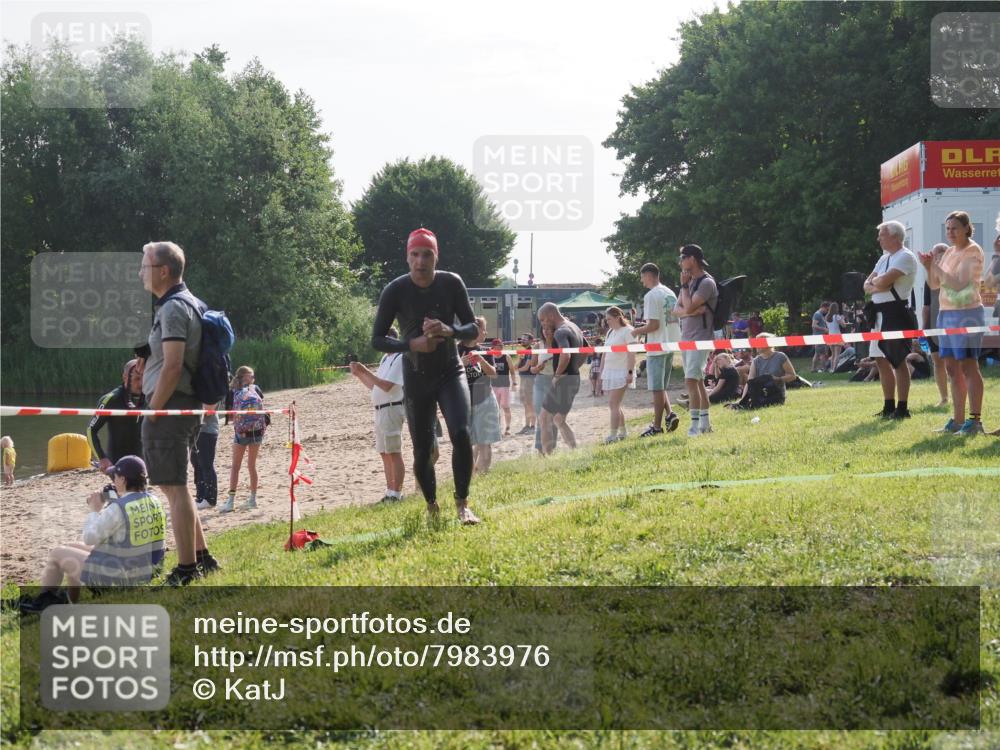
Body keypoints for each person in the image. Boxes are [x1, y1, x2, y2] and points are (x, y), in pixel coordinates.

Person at [371, 228, 481, 525]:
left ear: (436, 257)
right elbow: (377, 339)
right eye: (415, 254)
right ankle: (432, 506)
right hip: (416, 375)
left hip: (450, 370)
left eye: (427, 254)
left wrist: (450, 330)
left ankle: (462, 504)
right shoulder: (395, 290)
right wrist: (412, 344)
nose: (421, 261)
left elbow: (473, 328)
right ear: (407, 258)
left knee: (461, 434)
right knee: (423, 450)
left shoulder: (451, 283)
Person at [138, 240, 219, 585]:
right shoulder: (190, 303)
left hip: (170, 407)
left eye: (144, 266)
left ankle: (186, 568)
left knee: (174, 486)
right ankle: (202, 557)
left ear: (163, 271)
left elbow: (173, 367)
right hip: (184, 405)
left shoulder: (173, 307)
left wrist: (153, 409)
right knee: (177, 487)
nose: (140, 273)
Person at [19, 456, 166, 613]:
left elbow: (89, 538)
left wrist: (95, 510)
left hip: (122, 579)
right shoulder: (154, 500)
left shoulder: (119, 508)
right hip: (146, 570)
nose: (113, 481)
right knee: (70, 547)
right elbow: (120, 536)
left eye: (115, 477)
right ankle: (69, 600)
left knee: (57, 553)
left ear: (123, 479)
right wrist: (114, 501)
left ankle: (44, 602)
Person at [919, 211, 987, 435]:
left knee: (968, 366)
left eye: (955, 228)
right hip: (946, 314)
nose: (950, 232)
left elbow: (958, 284)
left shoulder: (973, 251)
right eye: (947, 229)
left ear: (967, 228)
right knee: (950, 368)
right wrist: (928, 266)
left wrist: (935, 266)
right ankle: (958, 421)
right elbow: (935, 284)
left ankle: (974, 421)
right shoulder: (949, 251)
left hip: (967, 314)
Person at [864, 221, 918, 420]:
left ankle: (902, 408)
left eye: (882, 235)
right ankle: (889, 406)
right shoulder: (884, 258)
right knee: (880, 359)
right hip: (878, 314)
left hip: (895, 313)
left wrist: (878, 283)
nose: (878, 239)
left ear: (895, 236)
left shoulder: (905, 256)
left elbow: (884, 281)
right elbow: (867, 285)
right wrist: (877, 284)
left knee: (898, 360)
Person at [350, 328, 406, 503]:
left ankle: (397, 493)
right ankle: (390, 491)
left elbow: (387, 386)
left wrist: (365, 371)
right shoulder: (385, 358)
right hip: (380, 409)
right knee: (384, 452)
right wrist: (359, 374)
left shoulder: (400, 358)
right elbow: (375, 386)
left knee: (394, 451)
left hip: (392, 408)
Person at [632, 262, 681, 437]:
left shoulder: (651, 295)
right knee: (661, 387)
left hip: (657, 345)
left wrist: (636, 331)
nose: (641, 281)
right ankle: (670, 414)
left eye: (642, 277)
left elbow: (653, 325)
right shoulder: (670, 292)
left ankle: (657, 427)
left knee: (657, 388)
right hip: (671, 344)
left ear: (649, 275)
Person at [674, 245, 719, 436]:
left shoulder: (706, 282)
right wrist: (690, 312)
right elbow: (676, 310)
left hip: (700, 338)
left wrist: (685, 288)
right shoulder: (689, 281)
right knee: (698, 382)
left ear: (692, 259)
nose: (680, 262)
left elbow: (689, 306)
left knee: (691, 381)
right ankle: (705, 425)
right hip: (686, 338)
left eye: (682, 257)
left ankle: (694, 426)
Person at [537, 302, 585, 455]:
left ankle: (547, 456)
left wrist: (557, 375)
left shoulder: (560, 331)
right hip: (573, 378)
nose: (543, 324)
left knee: (544, 418)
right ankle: (575, 451)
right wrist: (574, 368)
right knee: (558, 419)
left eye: (543, 320)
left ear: (551, 315)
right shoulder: (574, 327)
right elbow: (586, 351)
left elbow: (565, 355)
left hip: (563, 380)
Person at [221, 366, 267, 512]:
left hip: (241, 434)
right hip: (257, 432)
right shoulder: (256, 389)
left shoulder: (233, 391)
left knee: (235, 467)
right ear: (245, 377)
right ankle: (253, 499)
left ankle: (230, 502)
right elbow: (262, 408)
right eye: (251, 376)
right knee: (252, 466)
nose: (253, 378)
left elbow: (230, 414)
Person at [459, 319, 502, 474]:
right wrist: (460, 363)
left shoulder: (485, 351)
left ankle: (482, 475)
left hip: (485, 400)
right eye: (484, 329)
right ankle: (470, 476)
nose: (486, 332)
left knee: (485, 442)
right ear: (475, 331)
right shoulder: (456, 350)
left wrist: (482, 360)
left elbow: (494, 374)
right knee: (465, 445)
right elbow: (444, 376)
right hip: (463, 403)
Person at [87, 358, 145, 471]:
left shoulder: (150, 397)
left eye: (144, 378)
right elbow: (91, 430)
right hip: (117, 462)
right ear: (125, 377)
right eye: (137, 378)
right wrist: (102, 458)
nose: (141, 383)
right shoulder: (111, 399)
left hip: (142, 461)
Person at [730, 335, 798, 410]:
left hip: (777, 394)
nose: (756, 345)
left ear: (769, 343)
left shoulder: (780, 356)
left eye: (759, 342)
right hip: (761, 395)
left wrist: (778, 379)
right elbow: (750, 382)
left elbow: (792, 376)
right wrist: (743, 400)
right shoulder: (756, 361)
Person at [601, 306, 636, 443]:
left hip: (622, 371)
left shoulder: (628, 331)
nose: (607, 322)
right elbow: (605, 353)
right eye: (606, 319)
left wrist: (630, 372)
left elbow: (632, 354)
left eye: (609, 319)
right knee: (614, 404)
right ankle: (623, 432)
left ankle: (613, 435)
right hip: (610, 371)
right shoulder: (610, 332)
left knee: (613, 403)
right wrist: (601, 371)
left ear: (617, 318)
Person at [922, 244, 951, 407]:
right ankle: (944, 398)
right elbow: (926, 305)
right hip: (933, 325)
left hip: (952, 323)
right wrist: (924, 327)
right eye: (934, 255)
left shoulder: (953, 275)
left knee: (954, 362)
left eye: (940, 255)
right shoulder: (929, 278)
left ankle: (960, 395)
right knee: (937, 361)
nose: (936, 259)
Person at [531, 323, 559, 455]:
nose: (546, 331)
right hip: (540, 381)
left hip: (555, 382)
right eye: (544, 328)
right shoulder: (538, 346)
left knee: (552, 417)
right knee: (540, 416)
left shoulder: (559, 345)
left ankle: (551, 448)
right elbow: (531, 368)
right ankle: (540, 449)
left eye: (549, 329)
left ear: (554, 331)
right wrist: (537, 368)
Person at [192, 402, 220, 510]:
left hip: (207, 431)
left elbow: (208, 409)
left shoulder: (211, 394)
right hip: (195, 431)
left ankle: (210, 498)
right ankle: (200, 496)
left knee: (206, 464)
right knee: (197, 464)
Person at [490, 337, 518, 435]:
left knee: (506, 407)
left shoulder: (506, 356)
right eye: (499, 345)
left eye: (502, 345)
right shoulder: (490, 356)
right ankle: (497, 427)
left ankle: (508, 428)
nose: (501, 347)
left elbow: (512, 371)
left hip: (504, 385)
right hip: (493, 386)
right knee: (495, 408)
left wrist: (514, 383)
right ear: (494, 347)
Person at [515, 334, 536, 435]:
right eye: (522, 339)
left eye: (525, 339)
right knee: (525, 404)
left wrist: (515, 370)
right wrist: (514, 367)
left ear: (531, 341)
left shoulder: (531, 351)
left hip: (529, 379)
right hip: (523, 378)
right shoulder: (523, 350)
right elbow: (518, 364)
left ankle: (533, 426)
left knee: (530, 403)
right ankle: (527, 426)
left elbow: (527, 367)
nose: (522, 340)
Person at [825, 303, 847, 373]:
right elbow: (844, 325)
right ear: (836, 308)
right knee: (837, 354)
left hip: (830, 336)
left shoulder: (827, 317)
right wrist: (843, 319)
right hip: (837, 335)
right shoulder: (837, 316)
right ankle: (834, 369)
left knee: (833, 354)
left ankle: (831, 368)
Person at [811, 302, 830, 372]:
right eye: (827, 309)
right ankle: (824, 369)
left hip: (819, 336)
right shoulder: (817, 314)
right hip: (819, 337)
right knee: (822, 354)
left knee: (817, 354)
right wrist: (824, 329)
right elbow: (814, 325)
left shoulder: (820, 314)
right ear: (823, 307)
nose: (827, 311)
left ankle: (813, 369)